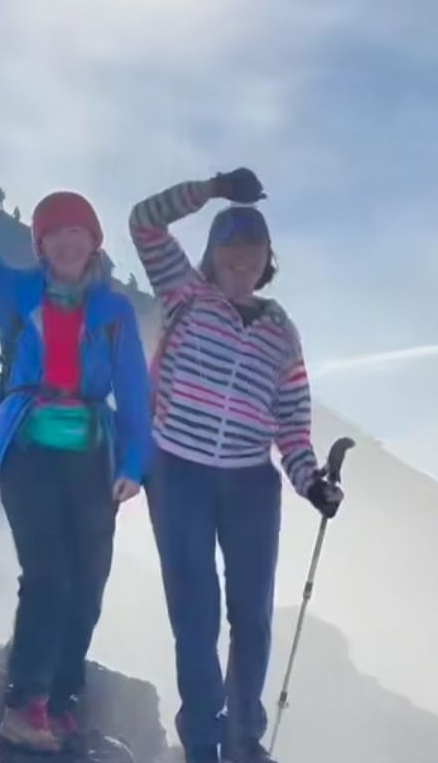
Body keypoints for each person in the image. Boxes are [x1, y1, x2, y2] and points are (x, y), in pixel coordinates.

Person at [0, 118, 152, 753]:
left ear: (93, 242)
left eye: (76, 232)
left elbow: (137, 399)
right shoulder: (16, 290)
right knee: (49, 571)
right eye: (53, 233)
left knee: (89, 579)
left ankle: (60, 700)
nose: (66, 242)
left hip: (92, 452)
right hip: (27, 446)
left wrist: (135, 463)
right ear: (40, 243)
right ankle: (24, 702)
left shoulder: (113, 315)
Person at [129, 168, 342, 763]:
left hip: (250, 480)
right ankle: (203, 743)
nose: (241, 259)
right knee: (195, 617)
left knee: (251, 618)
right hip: (178, 472)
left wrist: (313, 483)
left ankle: (244, 741)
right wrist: (214, 188)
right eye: (230, 248)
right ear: (211, 254)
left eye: (253, 250)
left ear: (267, 259)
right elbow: (144, 222)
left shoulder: (281, 332)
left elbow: (291, 425)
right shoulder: (184, 294)